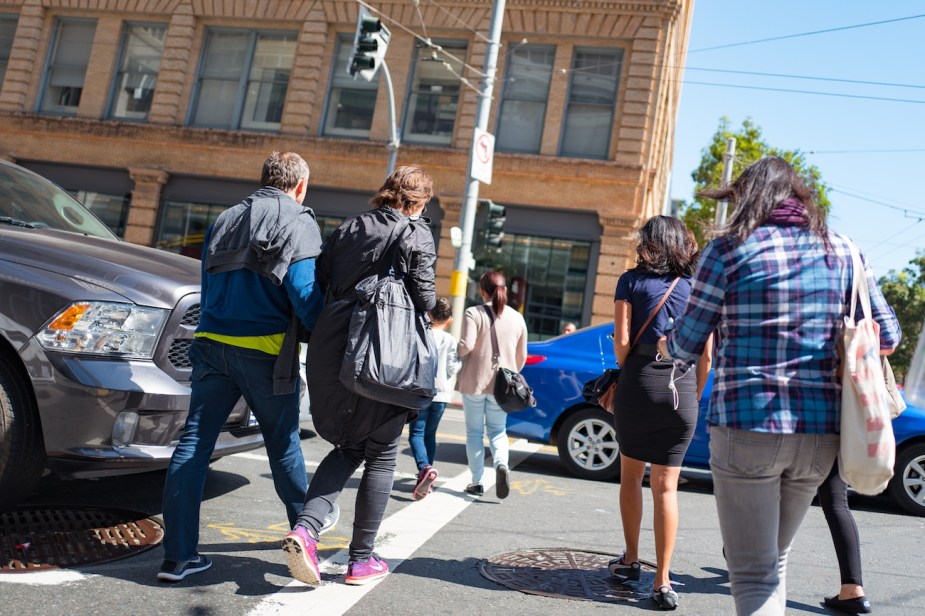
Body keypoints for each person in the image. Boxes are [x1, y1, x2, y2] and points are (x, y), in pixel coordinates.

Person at [659, 156, 900, 615]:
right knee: (774, 560)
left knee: (752, 575)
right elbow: (887, 336)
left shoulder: (728, 250)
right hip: (820, 436)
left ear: (748, 198)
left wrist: (664, 344)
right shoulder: (845, 251)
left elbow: (687, 343)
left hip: (747, 424)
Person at [158, 151, 338, 582]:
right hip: (265, 352)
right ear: (300, 186)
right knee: (283, 443)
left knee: (193, 446)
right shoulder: (298, 219)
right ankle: (304, 533)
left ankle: (178, 557)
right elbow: (304, 293)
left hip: (211, 344)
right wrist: (325, 335)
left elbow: (208, 281)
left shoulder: (226, 218)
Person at [282, 165, 436, 586]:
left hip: (335, 343)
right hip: (384, 352)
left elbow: (325, 279)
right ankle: (361, 560)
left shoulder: (351, 226)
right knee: (383, 452)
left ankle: (306, 530)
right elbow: (424, 297)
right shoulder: (417, 232)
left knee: (350, 446)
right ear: (419, 202)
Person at [609, 215, 711, 611]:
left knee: (631, 477)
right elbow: (707, 355)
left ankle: (631, 559)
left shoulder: (630, 281)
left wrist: (630, 361)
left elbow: (621, 342)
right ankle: (663, 580)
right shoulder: (696, 288)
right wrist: (695, 396)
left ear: (650, 243)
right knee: (667, 487)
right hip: (681, 391)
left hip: (639, 384)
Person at [456, 271, 528, 499]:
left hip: (474, 382)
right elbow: (522, 356)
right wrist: (510, 371)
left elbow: (466, 345)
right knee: (498, 431)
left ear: (482, 291)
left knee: (474, 432)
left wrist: (457, 351)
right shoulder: (517, 318)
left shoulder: (473, 313)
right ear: (504, 290)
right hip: (503, 387)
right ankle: (501, 465)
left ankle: (476, 482)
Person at [410, 297, 461, 501]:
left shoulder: (422, 333)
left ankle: (424, 468)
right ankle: (426, 477)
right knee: (430, 435)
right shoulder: (450, 340)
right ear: (449, 320)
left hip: (420, 391)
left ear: (429, 315)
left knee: (416, 433)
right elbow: (452, 368)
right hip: (441, 394)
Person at [818, 462, 872, 614]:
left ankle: (758, 579)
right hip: (833, 442)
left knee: (776, 493)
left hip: (790, 441)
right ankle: (852, 588)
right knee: (836, 504)